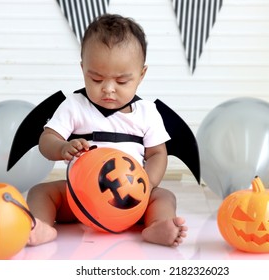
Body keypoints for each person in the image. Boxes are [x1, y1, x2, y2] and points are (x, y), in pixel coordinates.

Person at [26, 13, 187, 247]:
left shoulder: (146, 112)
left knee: (164, 196)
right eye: (96, 79)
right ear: (83, 70)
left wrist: (148, 183)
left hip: (131, 199)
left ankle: (156, 226)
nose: (108, 89)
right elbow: (46, 140)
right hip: (81, 196)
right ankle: (41, 226)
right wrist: (62, 147)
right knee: (40, 192)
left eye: (122, 81)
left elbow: (157, 154)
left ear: (141, 75)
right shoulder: (75, 105)